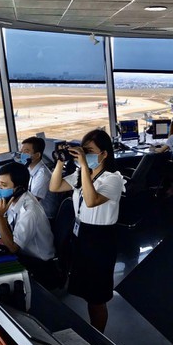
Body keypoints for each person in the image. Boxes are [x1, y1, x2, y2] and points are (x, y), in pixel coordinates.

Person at [49, 129, 126, 331]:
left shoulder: (113, 179)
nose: (85, 155)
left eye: (89, 151)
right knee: (86, 290)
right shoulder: (81, 174)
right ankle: (92, 328)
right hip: (81, 236)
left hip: (100, 241)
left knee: (97, 297)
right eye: (83, 150)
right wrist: (60, 161)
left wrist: (84, 166)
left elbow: (91, 201)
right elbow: (54, 187)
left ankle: (99, 336)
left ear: (104, 154)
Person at [0, 162, 58, 288]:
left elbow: (13, 247)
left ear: (19, 188)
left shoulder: (30, 210)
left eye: (4, 185)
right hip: (26, 254)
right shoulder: (15, 199)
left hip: (38, 264)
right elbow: (11, 222)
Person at [19, 136, 60, 219]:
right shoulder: (28, 167)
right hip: (34, 211)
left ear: (37, 155)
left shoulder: (43, 175)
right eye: (21, 152)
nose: (22, 155)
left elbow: (31, 202)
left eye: (26, 152)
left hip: (44, 216)